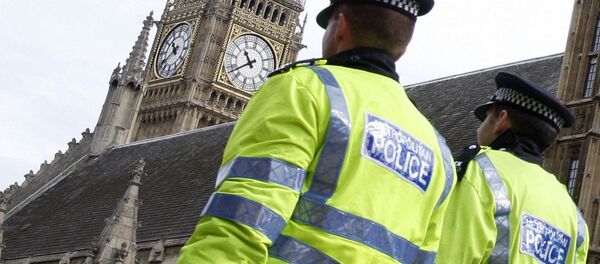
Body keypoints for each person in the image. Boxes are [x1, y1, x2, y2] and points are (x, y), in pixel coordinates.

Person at [177, 0, 456, 263]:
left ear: (341, 26)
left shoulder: (304, 90)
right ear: (402, 48)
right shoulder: (438, 152)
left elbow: (242, 220)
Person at [435, 72, 589, 263]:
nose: (478, 128)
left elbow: (447, 256)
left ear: (501, 119)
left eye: (485, 118)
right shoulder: (572, 213)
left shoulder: (479, 171)